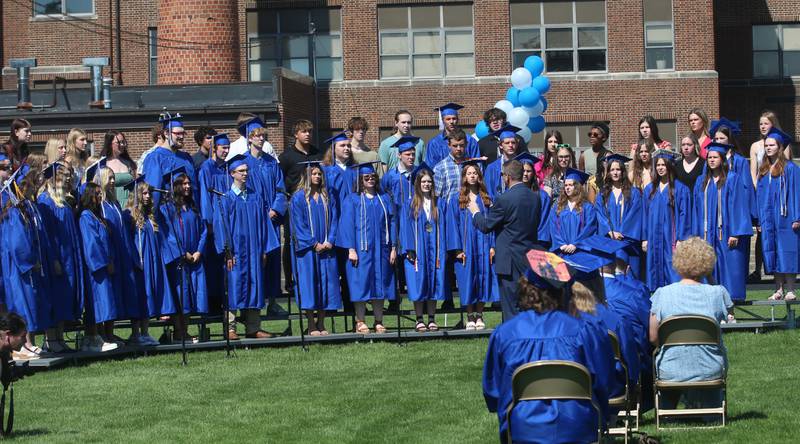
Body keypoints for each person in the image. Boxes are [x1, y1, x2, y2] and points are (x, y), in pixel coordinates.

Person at [483, 274, 614, 443]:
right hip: (577, 427)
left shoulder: (505, 334)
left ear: (525, 290)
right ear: (562, 293)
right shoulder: (584, 330)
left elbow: (492, 391)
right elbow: (604, 381)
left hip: (523, 428)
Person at [650, 237, 732, 409]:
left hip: (670, 367)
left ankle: (670, 409)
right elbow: (730, 312)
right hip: (709, 366)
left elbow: (653, 337)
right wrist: (710, 278)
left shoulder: (662, 294)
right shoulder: (717, 293)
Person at [213, 154, 277, 339]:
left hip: (255, 251)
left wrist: (264, 249)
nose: (245, 174)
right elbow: (221, 227)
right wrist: (227, 252)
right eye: (241, 171)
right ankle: (230, 328)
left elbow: (265, 225)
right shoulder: (225, 199)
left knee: (255, 285)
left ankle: (253, 327)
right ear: (232, 173)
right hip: (236, 253)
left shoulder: (255, 198)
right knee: (234, 286)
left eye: (246, 170)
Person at [470, 160, 540, 321]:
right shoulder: (535, 197)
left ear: (506, 177)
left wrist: (475, 212)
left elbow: (486, 226)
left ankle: (514, 341)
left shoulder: (504, 199)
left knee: (510, 308)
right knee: (527, 304)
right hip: (529, 258)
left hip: (509, 261)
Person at [336, 162, 397, 334]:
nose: (370, 179)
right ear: (360, 180)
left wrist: (393, 247)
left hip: (382, 250)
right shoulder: (352, 199)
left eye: (373, 177)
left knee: (380, 285)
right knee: (360, 284)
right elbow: (346, 225)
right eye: (366, 177)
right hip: (360, 251)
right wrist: (350, 249)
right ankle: (360, 321)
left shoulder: (384, 198)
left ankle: (379, 321)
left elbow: (392, 223)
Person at [0, 173, 53, 359]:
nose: (32, 191)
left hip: (22, 266)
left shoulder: (22, 210)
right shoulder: (15, 213)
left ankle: (29, 344)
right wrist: (30, 261)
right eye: (29, 187)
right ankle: (24, 345)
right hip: (19, 268)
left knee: (29, 302)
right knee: (22, 302)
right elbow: (17, 244)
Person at [692, 142, 752, 301]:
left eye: (715, 157)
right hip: (707, 233)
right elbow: (696, 209)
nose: (711, 160)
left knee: (728, 267)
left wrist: (736, 232)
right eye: (709, 157)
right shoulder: (702, 181)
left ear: (722, 159)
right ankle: (710, 305)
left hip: (726, 233)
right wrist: (696, 233)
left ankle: (730, 307)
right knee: (708, 267)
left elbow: (739, 206)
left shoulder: (732, 179)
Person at [289, 162, 341, 336]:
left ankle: (322, 322)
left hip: (327, 248)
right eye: (314, 174)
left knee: (326, 283)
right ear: (307, 176)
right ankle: (311, 323)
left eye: (320, 174)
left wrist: (330, 240)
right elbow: (298, 224)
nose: (317, 177)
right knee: (309, 284)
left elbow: (335, 219)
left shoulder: (328, 196)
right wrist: (313, 243)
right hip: (308, 250)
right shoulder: (298, 198)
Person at [37, 163, 84, 353]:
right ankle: (50, 339)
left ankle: (60, 337)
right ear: (55, 179)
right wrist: (54, 259)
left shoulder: (63, 200)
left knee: (65, 297)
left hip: (68, 256)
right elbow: (46, 235)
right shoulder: (45, 201)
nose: (68, 181)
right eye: (65, 177)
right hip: (56, 257)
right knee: (55, 297)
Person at [243, 119, 287, 316]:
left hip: (271, 220)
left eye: (263, 135)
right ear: (249, 138)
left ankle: (272, 302)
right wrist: (257, 212)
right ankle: (253, 304)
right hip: (253, 221)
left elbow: (280, 189)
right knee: (255, 260)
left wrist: (275, 209)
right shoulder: (242, 162)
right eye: (257, 135)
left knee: (273, 260)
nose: (261, 138)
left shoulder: (271, 163)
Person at [447, 161, 499, 330]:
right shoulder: (457, 199)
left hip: (484, 245)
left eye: (475, 173)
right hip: (466, 246)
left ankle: (479, 315)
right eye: (469, 173)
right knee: (468, 279)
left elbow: (493, 223)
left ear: (479, 177)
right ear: (464, 177)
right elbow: (452, 225)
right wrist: (457, 250)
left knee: (484, 277)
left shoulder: (486, 198)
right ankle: (469, 315)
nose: (472, 176)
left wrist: (493, 245)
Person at [124, 177, 175, 345]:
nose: (147, 196)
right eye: (143, 193)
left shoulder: (149, 216)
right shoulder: (129, 216)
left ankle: (145, 332)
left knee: (149, 297)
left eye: (148, 193)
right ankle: (136, 334)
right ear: (136, 195)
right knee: (140, 296)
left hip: (151, 261)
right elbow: (128, 242)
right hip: (139, 263)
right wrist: (135, 260)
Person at [92, 166, 139, 345]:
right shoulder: (100, 206)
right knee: (107, 295)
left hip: (121, 254)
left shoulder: (114, 203)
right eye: (109, 178)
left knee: (115, 295)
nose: (113, 182)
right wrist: (108, 258)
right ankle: (103, 334)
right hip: (110, 254)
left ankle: (110, 333)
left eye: (113, 178)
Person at [161, 170, 209, 340]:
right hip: (178, 260)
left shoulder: (193, 207)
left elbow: (203, 230)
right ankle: (178, 331)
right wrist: (183, 253)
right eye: (184, 183)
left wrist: (198, 251)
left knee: (191, 295)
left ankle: (184, 331)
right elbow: (168, 235)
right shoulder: (166, 209)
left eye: (189, 183)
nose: (188, 186)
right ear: (175, 186)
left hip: (194, 259)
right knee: (180, 295)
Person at [401, 164, 448, 332]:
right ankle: (419, 318)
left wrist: (445, 250)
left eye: (429, 181)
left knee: (434, 281)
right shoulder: (411, 203)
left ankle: (432, 318)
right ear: (417, 183)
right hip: (418, 249)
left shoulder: (439, 203)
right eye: (423, 181)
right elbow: (405, 227)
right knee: (418, 281)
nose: (427, 184)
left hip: (435, 249)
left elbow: (445, 227)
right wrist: (409, 249)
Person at [279, 119, 323, 294]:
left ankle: (314, 276)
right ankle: (290, 280)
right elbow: (280, 182)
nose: (307, 135)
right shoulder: (287, 157)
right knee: (292, 240)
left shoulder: (317, 154)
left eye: (310, 132)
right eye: (304, 132)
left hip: (314, 203)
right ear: (296, 134)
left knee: (315, 238)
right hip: (295, 204)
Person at [756, 128, 800, 300]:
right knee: (772, 250)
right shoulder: (764, 169)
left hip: (786, 217)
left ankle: (790, 289)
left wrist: (797, 216)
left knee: (787, 251)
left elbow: (797, 193)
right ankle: (778, 289)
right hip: (768, 218)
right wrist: (760, 218)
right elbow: (759, 196)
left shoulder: (790, 168)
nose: (768, 148)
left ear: (779, 147)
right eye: (766, 145)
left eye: (772, 145)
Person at [78, 182, 122, 352]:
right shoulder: (86, 217)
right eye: (96, 194)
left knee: (105, 303)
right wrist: (104, 263)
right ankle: (94, 337)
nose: (100, 197)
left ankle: (102, 337)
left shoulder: (97, 216)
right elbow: (91, 244)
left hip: (105, 265)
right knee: (97, 303)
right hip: (96, 269)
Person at [643, 150, 692, 291]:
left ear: (670, 166)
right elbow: (645, 216)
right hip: (654, 237)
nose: (660, 168)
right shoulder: (649, 190)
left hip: (671, 236)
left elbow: (685, 215)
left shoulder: (680, 189)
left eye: (663, 165)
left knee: (672, 266)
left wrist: (682, 238)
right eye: (658, 165)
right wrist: (645, 238)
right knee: (654, 266)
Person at [596, 154, 643, 276]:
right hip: (608, 241)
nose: (615, 173)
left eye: (618, 169)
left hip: (627, 242)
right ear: (608, 172)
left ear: (623, 172)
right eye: (612, 170)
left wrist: (621, 234)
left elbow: (635, 216)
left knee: (628, 275)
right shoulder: (602, 194)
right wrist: (609, 231)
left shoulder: (634, 193)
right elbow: (599, 214)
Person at [141, 114, 196, 208]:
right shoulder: (155, 158)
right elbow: (154, 191)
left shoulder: (186, 158)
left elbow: (195, 188)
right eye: (178, 133)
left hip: (189, 211)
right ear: (166, 133)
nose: (182, 137)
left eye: (183, 133)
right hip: (168, 212)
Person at [550, 168, 598, 256]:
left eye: (570, 185)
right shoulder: (559, 206)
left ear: (577, 186)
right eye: (565, 185)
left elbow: (590, 228)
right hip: (562, 251)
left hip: (581, 251)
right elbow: (553, 226)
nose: (567, 188)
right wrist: (561, 244)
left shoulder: (587, 207)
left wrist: (576, 244)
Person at [100, 130, 137, 207]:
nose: (122, 145)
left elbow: (136, 185)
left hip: (130, 206)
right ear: (110, 144)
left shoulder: (129, 163)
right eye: (119, 142)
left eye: (123, 142)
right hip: (112, 205)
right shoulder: (103, 164)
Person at [484, 125, 523, 199]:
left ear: (517, 144)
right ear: (501, 146)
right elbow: (488, 191)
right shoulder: (492, 167)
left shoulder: (522, 164)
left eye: (513, 142)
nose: (510, 145)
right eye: (507, 143)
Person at [433, 128, 470, 202]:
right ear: (449, 145)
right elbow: (436, 197)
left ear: (466, 144)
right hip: (449, 211)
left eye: (461, 145)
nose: (458, 149)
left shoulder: (472, 165)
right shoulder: (440, 168)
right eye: (455, 146)